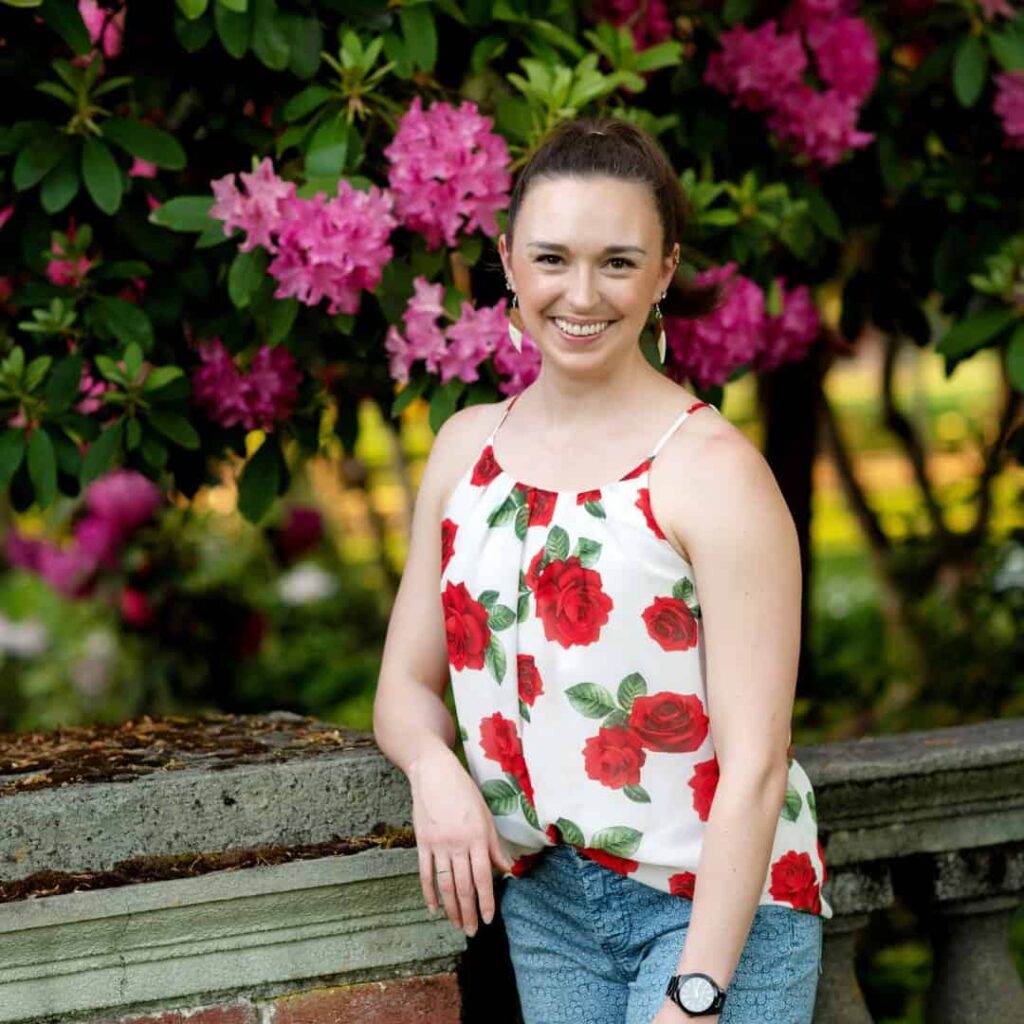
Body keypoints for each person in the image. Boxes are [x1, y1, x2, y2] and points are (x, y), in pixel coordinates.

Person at [373, 116, 831, 1024]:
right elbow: (403, 688)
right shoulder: (467, 450)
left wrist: (696, 996)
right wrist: (435, 772)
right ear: (507, 260)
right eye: (552, 258)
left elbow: (756, 766)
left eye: (618, 262)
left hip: (717, 913)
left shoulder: (713, 471)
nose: (581, 293)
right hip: (549, 909)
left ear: (664, 273)